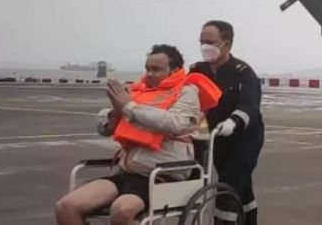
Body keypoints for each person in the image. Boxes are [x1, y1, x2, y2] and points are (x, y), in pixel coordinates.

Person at [55, 45, 220, 225]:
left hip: (162, 174)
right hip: (127, 171)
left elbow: (176, 123)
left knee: (122, 210)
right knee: (66, 206)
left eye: (156, 69)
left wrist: (128, 107)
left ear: (174, 71)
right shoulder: (138, 91)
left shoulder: (187, 92)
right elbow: (104, 129)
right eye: (147, 68)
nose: (149, 74)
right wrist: (115, 112)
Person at [190, 20, 263, 224]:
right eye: (202, 41)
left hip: (244, 140)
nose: (205, 47)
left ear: (227, 44)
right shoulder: (197, 71)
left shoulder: (243, 73)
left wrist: (233, 122)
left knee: (227, 186)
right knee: (242, 187)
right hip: (215, 138)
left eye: (211, 42)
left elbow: (249, 105)